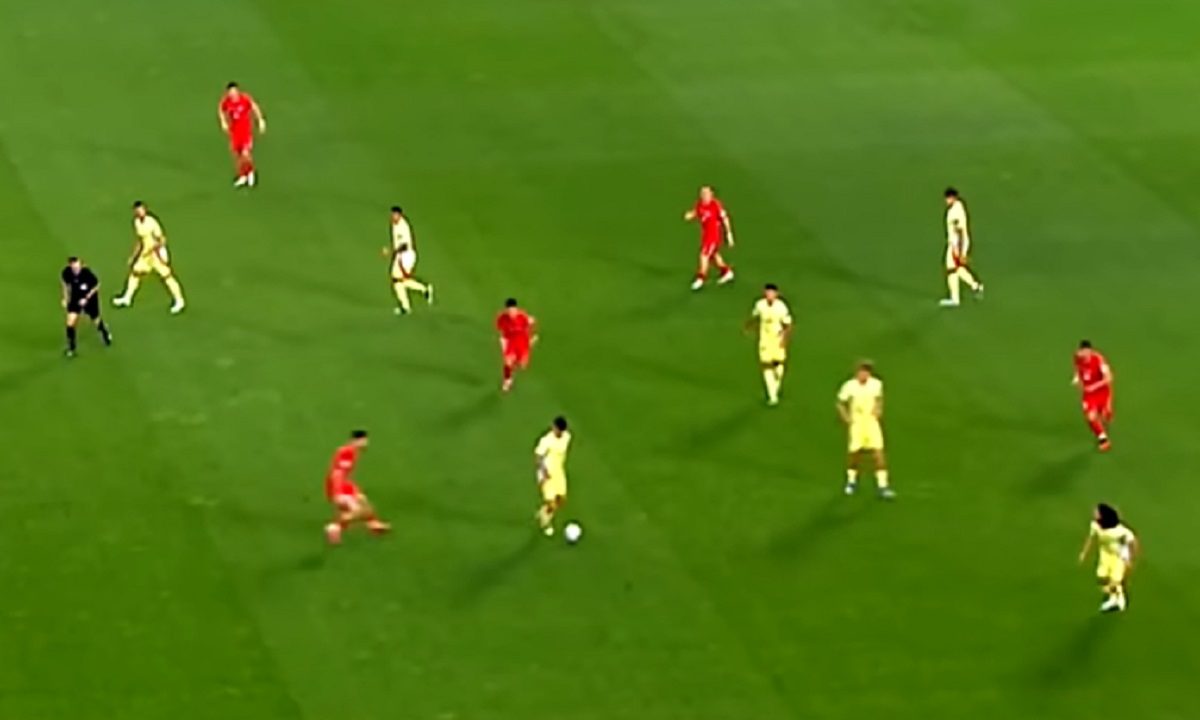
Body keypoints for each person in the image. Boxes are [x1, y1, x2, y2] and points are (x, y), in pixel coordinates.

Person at [112, 201, 186, 314]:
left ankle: (179, 301)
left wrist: (160, 251)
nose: (140, 212)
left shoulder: (152, 222)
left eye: (142, 210)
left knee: (167, 276)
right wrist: (134, 256)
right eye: (138, 211)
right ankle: (127, 298)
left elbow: (162, 239)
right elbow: (140, 241)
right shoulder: (137, 222)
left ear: (145, 210)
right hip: (145, 254)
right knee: (135, 274)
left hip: (155, 254)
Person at [837, 362, 894, 499]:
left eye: (866, 372)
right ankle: (851, 481)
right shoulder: (849, 386)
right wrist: (845, 417)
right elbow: (840, 402)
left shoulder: (876, 384)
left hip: (872, 424)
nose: (863, 375)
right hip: (857, 424)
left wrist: (879, 408)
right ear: (857, 373)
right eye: (861, 372)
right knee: (854, 455)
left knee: (879, 454)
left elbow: (879, 398)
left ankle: (883, 486)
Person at [324, 430, 390, 545]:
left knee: (363, 501)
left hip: (346, 483)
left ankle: (373, 524)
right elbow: (337, 473)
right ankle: (334, 527)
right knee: (357, 511)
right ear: (356, 441)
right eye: (364, 440)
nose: (366, 443)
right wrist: (338, 492)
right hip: (340, 485)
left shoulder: (352, 451)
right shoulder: (347, 453)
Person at [1078, 503, 1139, 612]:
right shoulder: (1095, 526)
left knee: (1115, 580)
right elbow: (1090, 539)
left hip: (1118, 556)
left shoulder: (1120, 531)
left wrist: (1130, 558)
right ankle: (1116, 595)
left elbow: (1133, 543)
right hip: (1105, 554)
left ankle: (1117, 598)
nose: (1094, 513)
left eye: (1097, 512)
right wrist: (1084, 553)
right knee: (1102, 577)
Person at [745, 284, 792, 406]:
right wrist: (748, 327)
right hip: (764, 340)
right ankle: (772, 395)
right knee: (766, 366)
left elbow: (788, 325)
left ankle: (776, 385)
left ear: (776, 294)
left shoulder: (781, 307)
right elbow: (755, 317)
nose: (769, 295)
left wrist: (784, 340)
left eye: (772, 293)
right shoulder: (760, 305)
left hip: (777, 339)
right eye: (768, 293)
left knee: (778, 366)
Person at [683, 185, 735, 290]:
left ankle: (700, 278)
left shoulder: (716, 205)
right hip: (706, 235)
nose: (704, 195)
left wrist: (729, 234)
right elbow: (697, 212)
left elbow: (725, 219)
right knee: (714, 255)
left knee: (704, 255)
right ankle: (727, 272)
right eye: (702, 193)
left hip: (714, 236)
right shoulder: (699, 204)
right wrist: (690, 215)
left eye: (706, 193)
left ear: (711, 194)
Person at [383, 206, 433, 314]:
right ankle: (424, 290)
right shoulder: (394, 224)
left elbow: (404, 245)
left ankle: (407, 306)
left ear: (400, 215)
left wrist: (391, 252)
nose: (393, 217)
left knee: (397, 280)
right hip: (400, 256)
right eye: (392, 214)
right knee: (400, 281)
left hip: (406, 256)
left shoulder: (403, 226)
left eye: (396, 215)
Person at [939, 187, 984, 307]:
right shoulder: (958, 206)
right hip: (956, 243)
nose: (946, 201)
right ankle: (975, 286)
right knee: (956, 269)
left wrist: (960, 251)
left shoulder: (955, 211)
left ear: (953, 198)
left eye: (948, 198)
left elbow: (959, 231)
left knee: (951, 269)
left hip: (957, 244)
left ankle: (956, 298)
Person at [61, 257, 112, 357]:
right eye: (74, 267)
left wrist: (86, 298)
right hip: (75, 298)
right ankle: (71, 348)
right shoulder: (67, 272)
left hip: (90, 299)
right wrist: (65, 298)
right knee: (70, 323)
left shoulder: (87, 274)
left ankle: (104, 332)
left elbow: (97, 285)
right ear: (70, 266)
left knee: (96, 321)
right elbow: (65, 285)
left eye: (78, 266)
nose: (76, 269)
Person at [218, 82, 267, 188]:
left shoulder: (245, 99)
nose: (232, 94)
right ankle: (242, 175)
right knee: (238, 156)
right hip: (234, 133)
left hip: (246, 132)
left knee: (246, 154)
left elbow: (255, 107)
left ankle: (251, 172)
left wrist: (261, 120)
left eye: (234, 91)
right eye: (230, 92)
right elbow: (221, 110)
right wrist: (223, 122)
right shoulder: (226, 102)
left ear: (237, 91)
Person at [534, 416, 572, 536]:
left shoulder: (567, 437)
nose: (554, 430)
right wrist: (543, 472)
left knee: (561, 500)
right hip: (547, 473)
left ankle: (543, 511)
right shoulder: (546, 440)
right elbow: (538, 457)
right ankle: (545, 523)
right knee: (551, 502)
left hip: (558, 472)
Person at [1073, 340, 1113, 451]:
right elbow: (1077, 367)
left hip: (1102, 392)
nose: (1085, 354)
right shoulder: (1077, 357)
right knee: (1091, 416)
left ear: (1091, 351)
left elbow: (1109, 378)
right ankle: (1103, 439)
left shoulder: (1099, 360)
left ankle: (1105, 416)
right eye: (1083, 352)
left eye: (1087, 352)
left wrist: (1094, 386)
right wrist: (1077, 377)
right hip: (1088, 394)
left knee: (1105, 416)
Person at [495, 298, 537, 392]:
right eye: (509, 311)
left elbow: (531, 324)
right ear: (506, 310)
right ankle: (507, 380)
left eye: (513, 310)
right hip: (511, 341)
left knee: (522, 365)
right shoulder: (502, 318)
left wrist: (529, 337)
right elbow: (500, 329)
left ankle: (529, 344)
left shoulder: (522, 316)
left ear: (516, 309)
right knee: (507, 362)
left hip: (522, 341)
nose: (512, 313)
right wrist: (503, 341)